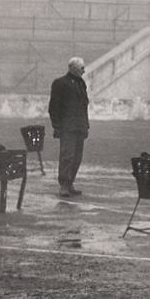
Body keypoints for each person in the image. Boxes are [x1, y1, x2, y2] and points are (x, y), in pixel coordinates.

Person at [49, 56, 89, 198]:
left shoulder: (81, 83)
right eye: (81, 68)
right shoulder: (60, 83)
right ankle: (64, 186)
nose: (84, 71)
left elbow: (84, 106)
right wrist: (57, 126)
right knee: (67, 156)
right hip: (67, 127)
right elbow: (53, 107)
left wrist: (86, 126)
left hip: (80, 127)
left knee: (77, 158)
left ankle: (70, 183)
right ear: (72, 68)